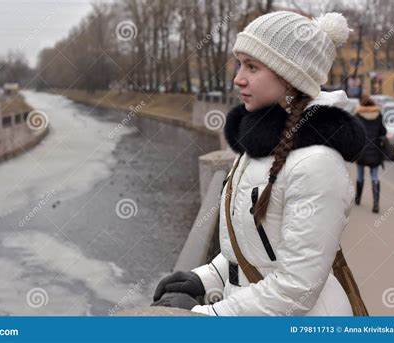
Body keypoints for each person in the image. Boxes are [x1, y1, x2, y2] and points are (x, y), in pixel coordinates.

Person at [151, 11, 367, 316]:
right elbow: (257, 248)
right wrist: (205, 278)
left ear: (291, 78)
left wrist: (206, 317)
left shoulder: (316, 164)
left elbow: (295, 290)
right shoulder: (259, 146)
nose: (238, 77)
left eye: (252, 67)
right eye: (240, 64)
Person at [354, 95, 387, 213]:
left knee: (360, 177)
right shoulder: (379, 116)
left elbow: (354, 132)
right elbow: (383, 131)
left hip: (361, 152)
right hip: (375, 152)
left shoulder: (357, 116)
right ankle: (376, 204)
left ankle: (357, 199)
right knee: (375, 177)